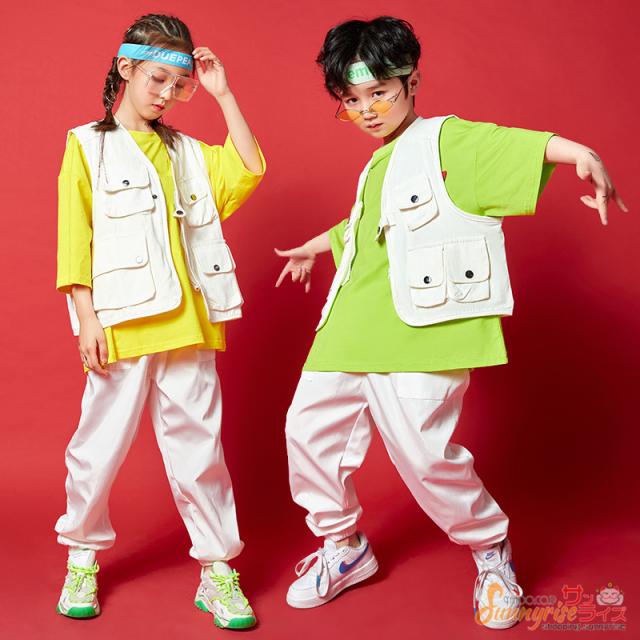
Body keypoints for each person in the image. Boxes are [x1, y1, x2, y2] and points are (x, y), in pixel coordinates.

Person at [275, 15, 627, 629]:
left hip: (422, 329)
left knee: (425, 456)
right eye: (351, 101)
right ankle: (344, 546)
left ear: (411, 81)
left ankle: (491, 551)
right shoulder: (378, 163)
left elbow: (515, 146)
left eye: (379, 93)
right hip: (348, 327)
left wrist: (582, 155)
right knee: (307, 436)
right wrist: (315, 245)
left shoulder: (448, 140)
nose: (366, 110)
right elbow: (367, 226)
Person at [55, 13, 265, 630]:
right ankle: (81, 558)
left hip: (190, 325)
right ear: (126, 69)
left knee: (201, 454)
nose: (167, 94)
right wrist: (86, 319)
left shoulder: (189, 153)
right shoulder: (86, 145)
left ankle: (217, 569)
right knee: (97, 450)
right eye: (156, 80)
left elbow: (249, 168)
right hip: (122, 323)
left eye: (178, 85)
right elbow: (74, 240)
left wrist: (223, 95)